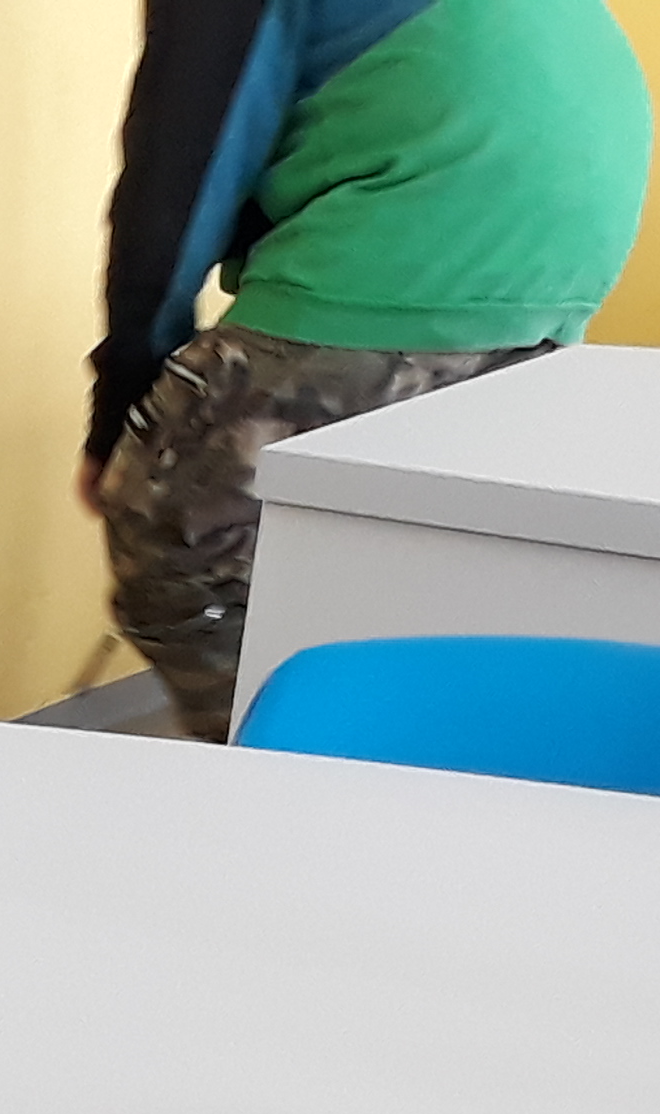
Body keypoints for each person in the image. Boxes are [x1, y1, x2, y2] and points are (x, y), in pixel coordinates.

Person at [87, 0, 650, 737]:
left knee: (171, 546)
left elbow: (177, 182)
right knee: (403, 561)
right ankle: (427, 746)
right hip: (555, 246)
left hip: (423, 232)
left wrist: (122, 411)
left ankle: (312, 768)